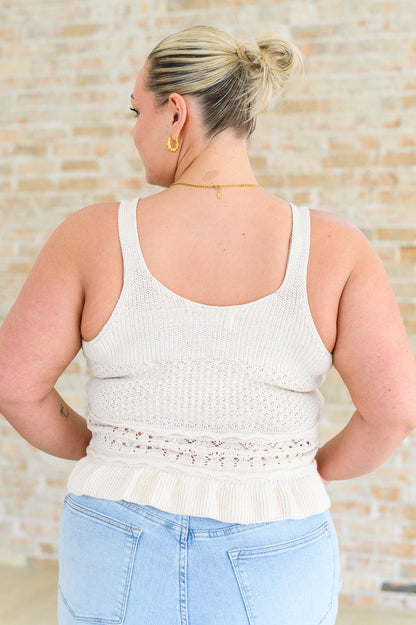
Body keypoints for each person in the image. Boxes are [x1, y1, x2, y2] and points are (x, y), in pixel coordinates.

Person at [0, 24, 415, 625]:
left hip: (114, 538)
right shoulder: (337, 247)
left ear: (175, 114)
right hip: (278, 544)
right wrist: (296, 471)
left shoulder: (89, 236)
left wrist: (108, 450)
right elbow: (395, 412)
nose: (132, 130)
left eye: (136, 111)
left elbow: (14, 385)